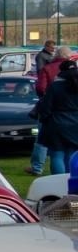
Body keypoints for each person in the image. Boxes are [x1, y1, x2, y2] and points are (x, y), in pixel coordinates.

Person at [32, 57, 78, 187]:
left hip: (57, 124)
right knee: (71, 155)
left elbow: (46, 107)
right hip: (75, 125)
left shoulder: (55, 86)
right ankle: (71, 182)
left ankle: (58, 184)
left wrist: (46, 119)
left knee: (57, 154)